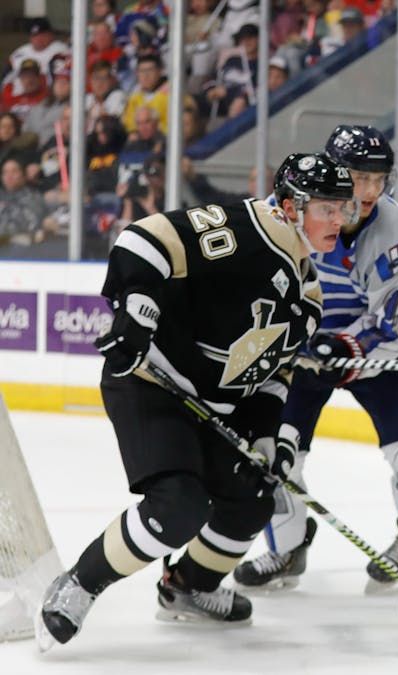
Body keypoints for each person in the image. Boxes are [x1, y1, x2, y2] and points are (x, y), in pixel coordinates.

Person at [33, 152, 357, 649]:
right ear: (291, 206)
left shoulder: (309, 294)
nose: (340, 220)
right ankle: (78, 584)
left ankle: (186, 588)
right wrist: (138, 306)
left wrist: (267, 440)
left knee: (252, 503)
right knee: (177, 507)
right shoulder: (243, 228)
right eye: (327, 209)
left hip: (213, 409)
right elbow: (144, 240)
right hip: (152, 382)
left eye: (344, 209)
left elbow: (273, 375)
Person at [234, 125, 398, 591]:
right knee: (276, 454)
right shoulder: (284, 213)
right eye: (357, 177)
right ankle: (287, 549)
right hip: (298, 354)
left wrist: (346, 345)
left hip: (373, 352)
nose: (367, 191)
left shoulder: (393, 226)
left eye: (377, 179)